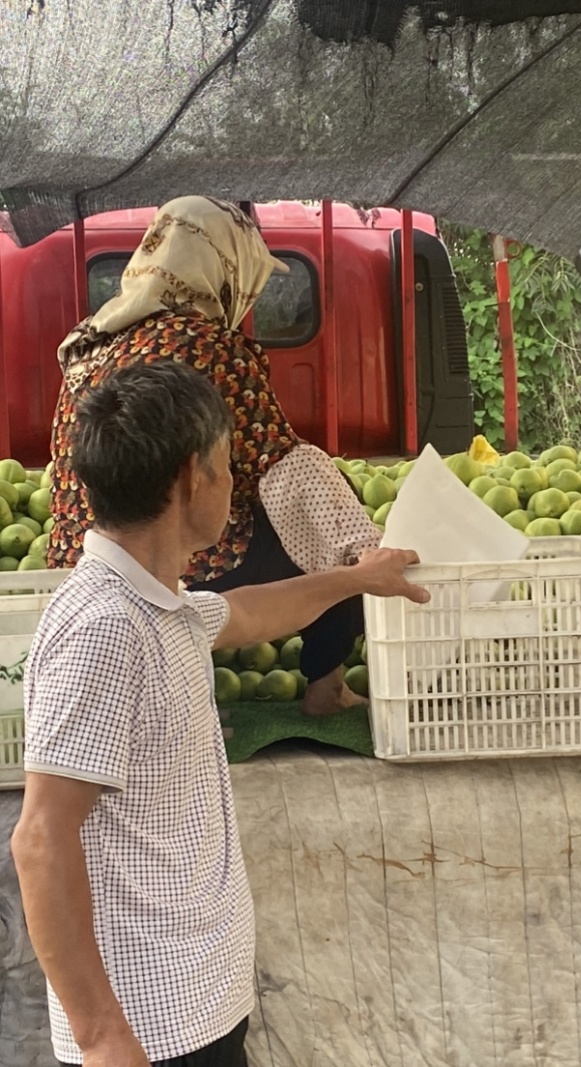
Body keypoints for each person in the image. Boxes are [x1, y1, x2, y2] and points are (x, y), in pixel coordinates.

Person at [11, 360, 429, 1067]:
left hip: (196, 1002)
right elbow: (41, 839)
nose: (236, 485)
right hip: (150, 1030)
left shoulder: (161, 607)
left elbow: (247, 610)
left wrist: (359, 579)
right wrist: (100, 1034)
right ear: (188, 479)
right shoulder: (103, 627)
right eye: (228, 465)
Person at [48, 195, 382, 716]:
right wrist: (365, 555)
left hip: (85, 561)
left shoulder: (89, 346)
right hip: (172, 554)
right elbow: (282, 462)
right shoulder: (206, 346)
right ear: (225, 269)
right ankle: (328, 684)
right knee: (336, 509)